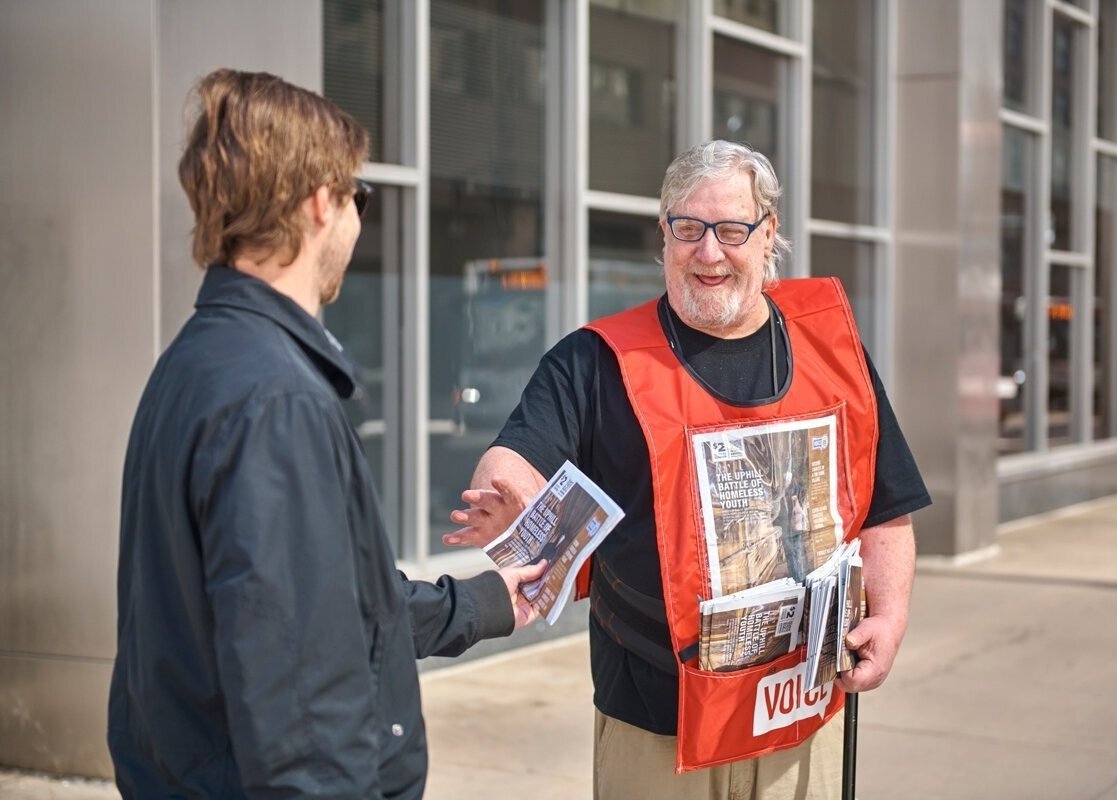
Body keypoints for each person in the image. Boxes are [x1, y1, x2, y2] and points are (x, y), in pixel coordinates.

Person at [446, 140, 931, 799]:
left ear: (769, 235)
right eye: (689, 228)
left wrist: (891, 613)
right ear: (663, 231)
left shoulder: (833, 350)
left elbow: (884, 505)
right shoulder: (594, 363)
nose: (708, 253)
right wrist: (512, 497)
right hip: (656, 724)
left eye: (732, 230)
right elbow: (516, 458)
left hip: (804, 709)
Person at [107, 69, 545, 799]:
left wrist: (485, 602)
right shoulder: (275, 400)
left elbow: (334, 608)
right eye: (357, 198)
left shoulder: (193, 364)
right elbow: (302, 705)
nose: (356, 221)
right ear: (320, 203)